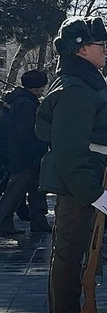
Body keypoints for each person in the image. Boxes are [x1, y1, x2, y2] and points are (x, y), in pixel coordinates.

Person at [36, 16, 107, 313]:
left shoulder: (81, 83)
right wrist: (93, 192)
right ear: (83, 49)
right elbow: (69, 149)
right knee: (69, 257)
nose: (105, 51)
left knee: (74, 253)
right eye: (100, 46)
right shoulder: (76, 89)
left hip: (83, 179)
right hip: (78, 185)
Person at [0, 70, 51, 235]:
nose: (42, 89)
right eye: (41, 86)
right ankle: (3, 219)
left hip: (25, 153)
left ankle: (39, 220)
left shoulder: (21, 100)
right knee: (16, 189)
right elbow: (28, 132)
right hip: (26, 155)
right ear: (35, 87)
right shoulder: (26, 104)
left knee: (36, 187)